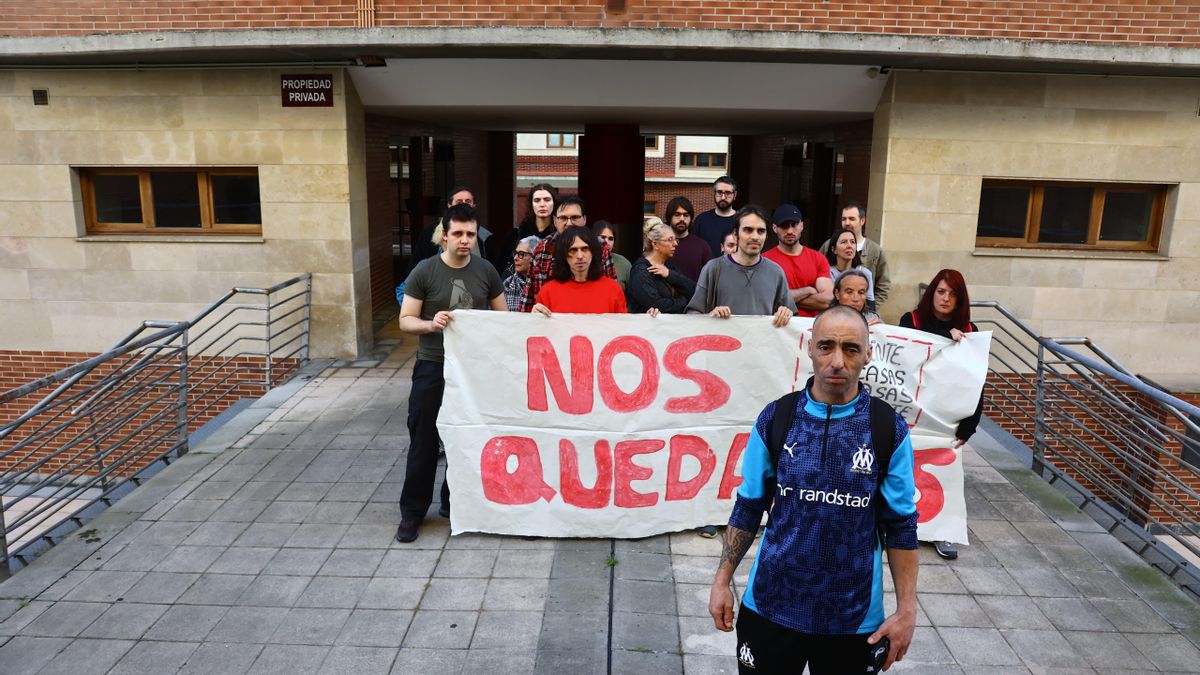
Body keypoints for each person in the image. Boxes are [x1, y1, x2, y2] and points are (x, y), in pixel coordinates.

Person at [708, 304, 918, 674]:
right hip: (771, 608)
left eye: (850, 349)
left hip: (853, 620)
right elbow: (748, 507)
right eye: (826, 347)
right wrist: (721, 581)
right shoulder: (776, 418)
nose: (837, 361)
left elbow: (901, 525)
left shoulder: (888, 429)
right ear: (810, 348)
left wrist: (906, 611)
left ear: (868, 354)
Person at [395, 204, 506, 544]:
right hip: (432, 365)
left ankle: (452, 502)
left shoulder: (486, 270)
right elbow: (405, 320)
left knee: (466, 437)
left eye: (470, 234)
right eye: (458, 233)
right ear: (445, 236)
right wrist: (431, 324)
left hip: (472, 369)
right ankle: (412, 513)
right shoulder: (425, 270)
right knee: (424, 441)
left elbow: (503, 319)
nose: (464, 240)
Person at [899, 268, 983, 561]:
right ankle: (900, 525)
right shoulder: (911, 320)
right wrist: (945, 338)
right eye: (941, 291)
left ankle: (942, 530)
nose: (945, 298)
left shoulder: (969, 331)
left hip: (948, 416)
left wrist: (969, 426)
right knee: (903, 469)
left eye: (953, 294)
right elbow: (908, 359)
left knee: (944, 473)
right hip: (914, 410)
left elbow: (976, 381)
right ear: (932, 292)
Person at [687, 205, 796, 326]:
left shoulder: (776, 272)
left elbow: (794, 321)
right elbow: (692, 314)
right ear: (735, 234)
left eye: (761, 231)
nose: (755, 237)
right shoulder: (713, 268)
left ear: (766, 236)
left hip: (762, 339)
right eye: (748, 230)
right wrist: (709, 317)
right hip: (723, 338)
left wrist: (786, 313)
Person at [518, 196, 615, 312]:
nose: (569, 223)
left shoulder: (600, 246)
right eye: (563, 218)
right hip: (551, 319)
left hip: (593, 315)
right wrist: (531, 315)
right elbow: (528, 298)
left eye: (575, 217)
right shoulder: (543, 248)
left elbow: (611, 292)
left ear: (584, 219)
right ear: (555, 221)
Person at [532, 226, 634, 315]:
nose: (580, 256)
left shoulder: (613, 289)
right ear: (563, 255)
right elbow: (541, 330)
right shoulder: (547, 292)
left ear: (593, 252)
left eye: (585, 249)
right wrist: (535, 319)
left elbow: (621, 328)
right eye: (573, 250)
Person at [762, 203, 833, 318]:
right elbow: (767, 299)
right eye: (784, 226)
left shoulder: (818, 258)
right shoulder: (764, 261)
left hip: (810, 327)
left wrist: (784, 300)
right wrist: (808, 290)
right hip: (779, 325)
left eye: (794, 224)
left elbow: (827, 300)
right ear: (775, 228)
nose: (790, 231)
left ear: (802, 226)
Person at [819, 201, 892, 308]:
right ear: (834, 249)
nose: (847, 223)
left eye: (852, 219)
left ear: (862, 221)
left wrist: (867, 309)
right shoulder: (829, 245)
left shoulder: (875, 250)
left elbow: (883, 285)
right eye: (844, 219)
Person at [410, 186, 495, 272]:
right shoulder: (429, 234)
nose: (463, 205)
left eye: (468, 201)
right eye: (459, 202)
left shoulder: (485, 236)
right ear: (449, 206)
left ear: (474, 206)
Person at [626, 218, 696, 314]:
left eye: (675, 239)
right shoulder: (641, 271)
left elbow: (694, 291)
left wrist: (669, 274)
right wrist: (688, 302)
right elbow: (659, 305)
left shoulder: (669, 265)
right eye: (670, 240)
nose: (675, 244)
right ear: (655, 244)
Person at [503, 183, 558, 261]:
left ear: (554, 203)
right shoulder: (516, 235)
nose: (542, 204)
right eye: (537, 200)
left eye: (547, 200)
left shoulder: (560, 234)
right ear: (531, 204)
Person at [825, 227, 877, 309]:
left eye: (852, 242)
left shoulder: (865, 273)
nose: (849, 246)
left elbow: (871, 307)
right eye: (844, 242)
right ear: (833, 249)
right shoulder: (826, 272)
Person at [663, 196, 713, 282]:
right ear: (669, 217)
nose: (682, 219)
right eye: (677, 214)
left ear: (691, 218)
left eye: (686, 215)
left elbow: (711, 279)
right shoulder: (660, 245)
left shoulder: (702, 246)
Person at [693, 176, 739, 257]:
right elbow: (694, 249)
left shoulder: (742, 220)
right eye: (719, 192)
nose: (723, 197)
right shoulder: (701, 220)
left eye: (728, 193)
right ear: (714, 194)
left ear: (735, 195)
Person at [502, 235, 539, 312]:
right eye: (515, 253)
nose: (515, 258)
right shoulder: (507, 284)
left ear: (534, 257)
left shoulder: (543, 283)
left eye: (521, 254)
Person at [593, 220, 631, 289]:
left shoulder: (624, 263)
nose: (607, 242)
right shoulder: (586, 261)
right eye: (603, 237)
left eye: (611, 239)